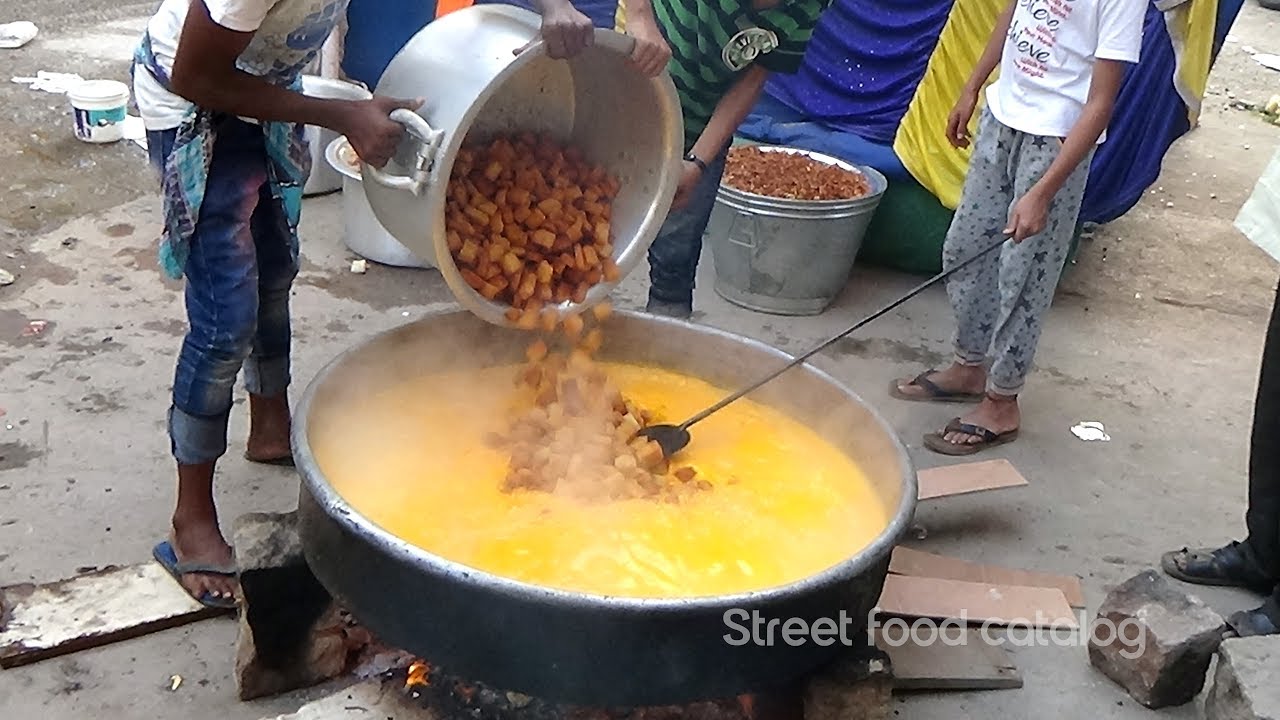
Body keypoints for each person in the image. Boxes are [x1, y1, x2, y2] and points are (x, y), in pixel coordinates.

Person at [135, 0, 601, 609]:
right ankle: (189, 518)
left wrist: (555, 5)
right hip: (193, 101)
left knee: (276, 269)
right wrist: (342, 115)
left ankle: (271, 428)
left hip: (265, 90)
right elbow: (194, 75)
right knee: (226, 317)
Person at [889, 0, 1145, 455]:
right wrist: (972, 86)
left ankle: (1002, 400)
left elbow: (1102, 102)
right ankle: (969, 366)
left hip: (1055, 140)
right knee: (965, 247)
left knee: (1025, 275)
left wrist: (1043, 192)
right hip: (1002, 115)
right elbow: (1011, 16)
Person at [607, 0, 834, 320]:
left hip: (700, 128)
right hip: (623, 96)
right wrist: (640, 16)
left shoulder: (808, 6)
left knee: (676, 255)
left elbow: (754, 79)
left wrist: (698, 162)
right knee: (588, 227)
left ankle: (665, 344)